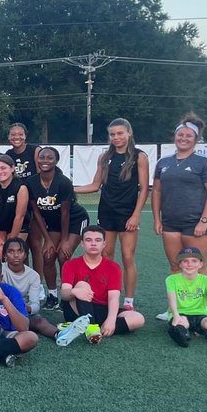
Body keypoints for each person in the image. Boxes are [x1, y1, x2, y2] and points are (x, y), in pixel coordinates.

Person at [75, 118, 150, 310]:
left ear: (129, 133)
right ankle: (106, 296)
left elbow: (144, 189)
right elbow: (94, 185)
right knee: (106, 256)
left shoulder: (139, 157)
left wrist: (136, 215)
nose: (116, 137)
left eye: (120, 133)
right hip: (106, 212)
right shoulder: (105, 157)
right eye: (112, 134)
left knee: (127, 256)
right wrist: (70, 189)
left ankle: (128, 302)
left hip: (127, 215)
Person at [153, 112, 207, 276]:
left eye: (188, 135)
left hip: (196, 224)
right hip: (170, 223)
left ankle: (203, 303)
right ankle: (176, 303)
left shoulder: (204, 162)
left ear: (195, 139)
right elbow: (157, 191)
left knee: (198, 268)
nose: (184, 138)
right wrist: (157, 219)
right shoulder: (163, 162)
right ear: (175, 136)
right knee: (176, 268)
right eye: (180, 134)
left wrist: (204, 221)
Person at [59, 226, 146, 342]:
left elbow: (114, 297)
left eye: (98, 240)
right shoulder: (70, 265)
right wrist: (75, 291)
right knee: (82, 284)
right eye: (89, 240)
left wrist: (110, 320)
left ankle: (82, 328)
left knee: (138, 319)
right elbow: (64, 294)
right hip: (76, 309)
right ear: (82, 244)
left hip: (102, 309)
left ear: (104, 244)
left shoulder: (113, 267)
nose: (93, 244)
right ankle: (90, 327)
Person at [28, 146, 88, 310]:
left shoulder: (63, 182)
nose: (45, 161)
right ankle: (52, 296)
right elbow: (36, 213)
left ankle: (67, 297)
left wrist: (64, 240)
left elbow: (65, 213)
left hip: (74, 220)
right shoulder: (31, 182)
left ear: (56, 161)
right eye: (42, 157)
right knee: (47, 255)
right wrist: (47, 240)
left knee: (63, 255)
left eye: (49, 158)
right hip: (52, 223)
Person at [1, 237, 58, 338]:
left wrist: (28, 308)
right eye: (11, 251)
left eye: (20, 251)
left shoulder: (33, 276)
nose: (16, 255)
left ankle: (59, 335)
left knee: (39, 321)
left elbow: (35, 305)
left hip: (20, 311)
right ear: (5, 255)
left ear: (26, 255)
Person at [0, 154, 30, 257]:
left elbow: (19, 217)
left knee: (12, 254)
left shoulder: (21, 187)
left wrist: (10, 241)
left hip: (17, 226)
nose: (0, 172)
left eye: (3, 168)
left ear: (12, 168)